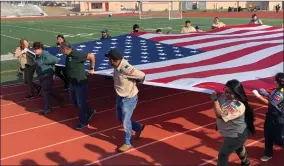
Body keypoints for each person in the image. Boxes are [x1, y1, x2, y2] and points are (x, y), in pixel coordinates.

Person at [105, 49, 145, 152]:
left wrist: (138, 82)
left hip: (129, 98)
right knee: (119, 118)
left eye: (109, 59)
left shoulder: (125, 68)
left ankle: (128, 143)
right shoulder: (116, 65)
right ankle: (138, 127)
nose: (108, 61)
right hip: (120, 96)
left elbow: (141, 75)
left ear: (112, 60)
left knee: (125, 121)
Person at [211, 79, 255, 166]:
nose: (225, 93)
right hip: (234, 133)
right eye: (225, 90)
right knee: (238, 147)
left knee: (223, 155)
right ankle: (246, 162)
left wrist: (215, 100)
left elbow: (220, 115)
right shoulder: (227, 97)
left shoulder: (237, 105)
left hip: (236, 135)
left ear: (236, 93)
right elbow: (220, 104)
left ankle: (246, 162)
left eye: (228, 92)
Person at [59, 42, 96, 130]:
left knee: (80, 103)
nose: (61, 52)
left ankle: (84, 122)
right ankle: (90, 111)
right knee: (74, 101)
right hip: (72, 82)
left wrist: (92, 68)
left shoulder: (76, 54)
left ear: (64, 49)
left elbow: (91, 56)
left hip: (80, 83)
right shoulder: (68, 55)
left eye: (61, 50)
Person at [252, 72, 284, 162]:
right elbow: (273, 99)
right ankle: (268, 154)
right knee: (268, 135)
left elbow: (270, 103)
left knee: (278, 138)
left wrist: (257, 96)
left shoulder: (280, 93)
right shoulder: (279, 90)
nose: (273, 81)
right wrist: (266, 94)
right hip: (272, 115)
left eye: (275, 79)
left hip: (278, 117)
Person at [32, 42, 64, 115]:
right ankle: (60, 99)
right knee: (48, 91)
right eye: (34, 49)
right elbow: (37, 63)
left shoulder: (45, 54)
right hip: (41, 76)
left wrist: (50, 66)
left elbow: (56, 60)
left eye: (37, 49)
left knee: (45, 92)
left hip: (47, 75)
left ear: (41, 49)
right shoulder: (37, 56)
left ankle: (47, 108)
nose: (35, 50)